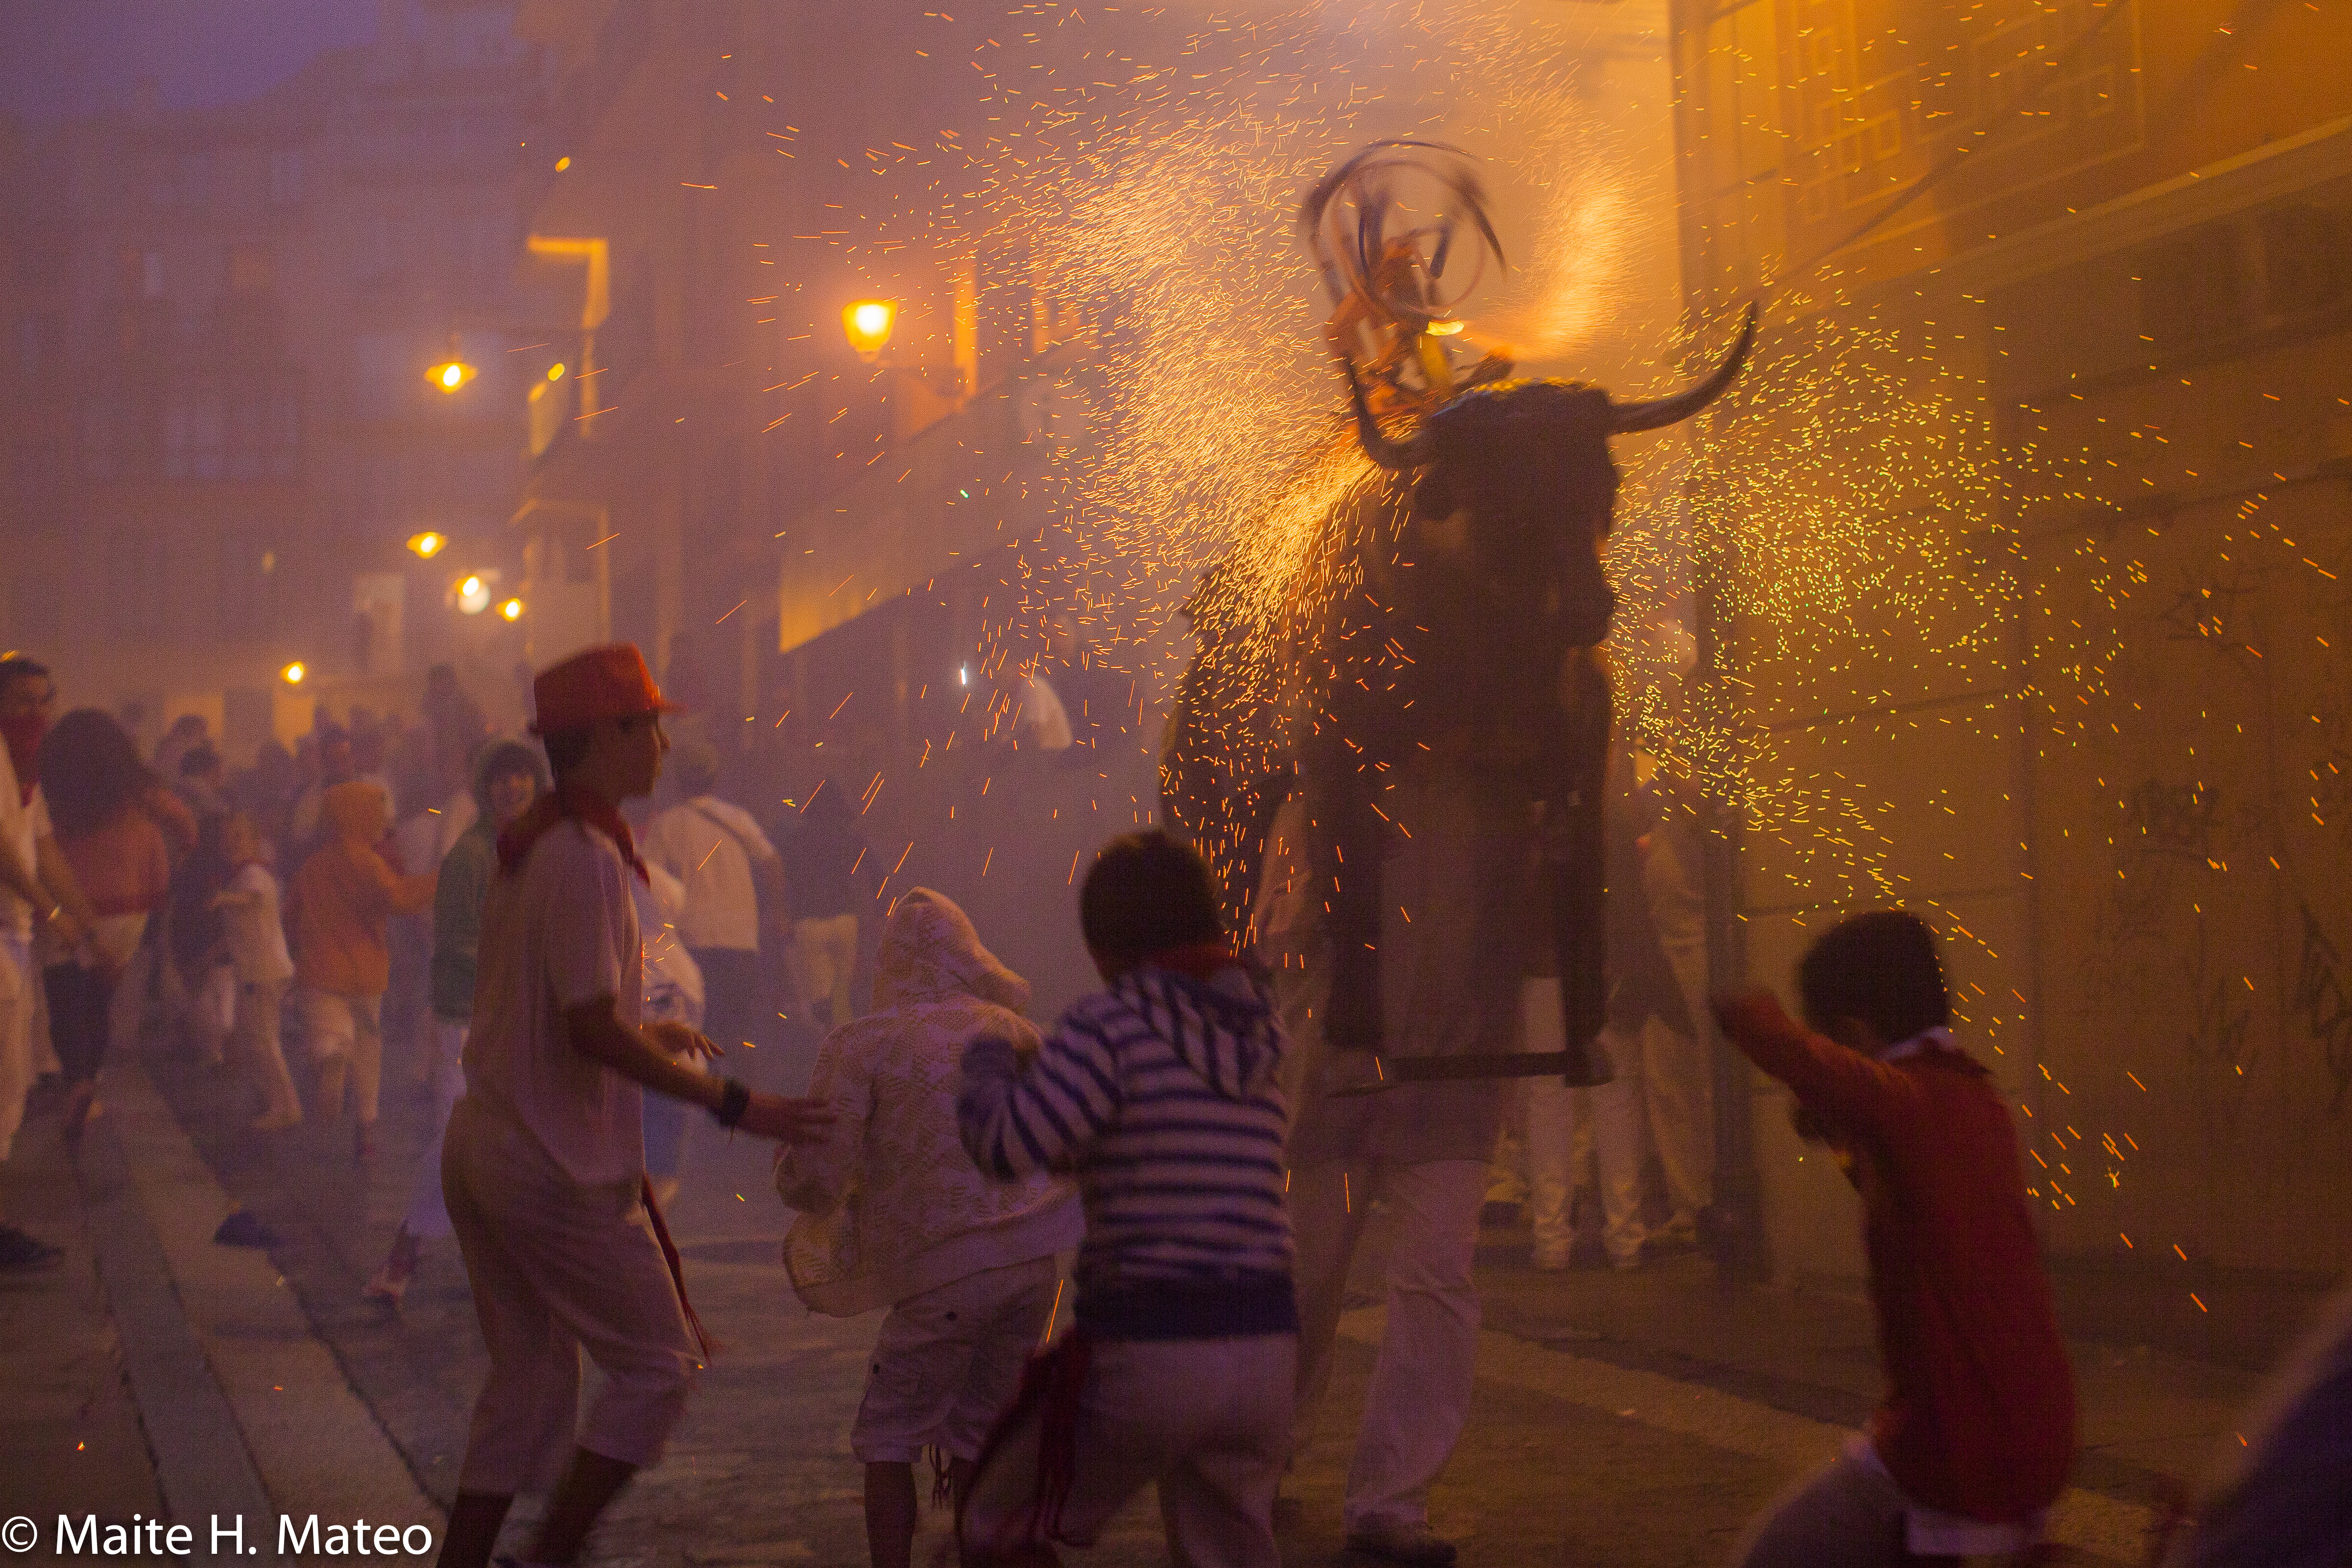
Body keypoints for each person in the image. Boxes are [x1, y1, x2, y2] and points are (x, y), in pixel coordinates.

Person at [435, 644, 833, 1568]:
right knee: (657, 1365)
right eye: (648, 724)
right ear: (607, 738)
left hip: (489, 1139)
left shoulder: (541, 842)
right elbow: (585, 1030)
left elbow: (557, 1014)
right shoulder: (580, 856)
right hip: (547, 1159)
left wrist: (646, 1035)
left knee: (528, 1385)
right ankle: (551, 1553)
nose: (662, 742)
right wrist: (739, 1104)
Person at [955, 831, 1295, 1568]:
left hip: (1152, 1347)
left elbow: (1010, 1144)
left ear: (1107, 947)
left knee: (995, 1522)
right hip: (1267, 1352)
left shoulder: (1107, 1024)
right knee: (1228, 1549)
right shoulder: (1263, 1032)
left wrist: (989, 1056)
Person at [1714, 909, 2075, 1568]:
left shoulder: (1908, 1101)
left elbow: (1831, 1074)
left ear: (1852, 1031)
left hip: (1953, 1437)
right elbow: (1917, 1202)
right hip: (2032, 1424)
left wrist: (1748, 1016)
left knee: (1773, 1554)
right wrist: (1844, 1141)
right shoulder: (1973, 1097)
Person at [775, 887, 1079, 1568]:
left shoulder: (865, 1042)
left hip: (943, 1274)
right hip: (1034, 1270)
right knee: (980, 1430)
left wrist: (789, 1174)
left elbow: (818, 1172)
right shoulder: (1014, 1030)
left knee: (887, 1438)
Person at [365, 739, 546, 1305]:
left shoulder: (541, 851)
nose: (511, 786)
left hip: (524, 1022)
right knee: (458, 1141)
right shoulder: (470, 858)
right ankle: (407, 1250)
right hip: (467, 1019)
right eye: (500, 778)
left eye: (520, 776)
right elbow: (456, 945)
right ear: (484, 789)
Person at [0, 657, 98, 1270]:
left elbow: (42, 849)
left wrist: (87, 921)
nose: (35, 714)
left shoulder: (25, 776)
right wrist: (55, 913)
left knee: (12, 1083)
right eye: (21, 701)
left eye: (44, 700)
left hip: (15, 939)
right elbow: (7, 854)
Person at [38, 708, 174, 1148]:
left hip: (63, 904)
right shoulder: (135, 789)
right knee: (98, 1000)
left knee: (63, 999)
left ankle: (74, 1079)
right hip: (127, 908)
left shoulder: (50, 783)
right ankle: (89, 1088)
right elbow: (186, 825)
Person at [288, 781, 436, 1163]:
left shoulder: (313, 866)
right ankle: (365, 1131)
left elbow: (292, 914)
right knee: (369, 1048)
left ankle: (330, 1058)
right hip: (367, 969)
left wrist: (294, 949)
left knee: (329, 1032)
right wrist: (439, 880)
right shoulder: (368, 861)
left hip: (321, 966)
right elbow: (399, 897)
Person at [641, 739, 790, 1060]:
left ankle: (706, 1098)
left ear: (677, 780)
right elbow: (771, 861)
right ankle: (741, 1098)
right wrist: (777, 912)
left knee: (698, 1032)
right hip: (740, 943)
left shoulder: (666, 825)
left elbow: (647, 879)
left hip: (691, 943)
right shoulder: (737, 818)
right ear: (716, 778)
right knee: (737, 1032)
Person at [213, 812, 301, 1130]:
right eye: (227, 837)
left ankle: (286, 1107)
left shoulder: (253, 874)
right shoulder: (242, 874)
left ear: (254, 841)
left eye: (239, 836)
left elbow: (252, 898)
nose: (231, 843)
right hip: (255, 970)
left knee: (264, 1040)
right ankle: (271, 1098)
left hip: (263, 972)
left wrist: (224, 899)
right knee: (255, 1038)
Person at [781, 779, 867, 1029]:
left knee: (818, 1002)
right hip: (846, 924)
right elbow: (873, 879)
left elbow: (786, 882)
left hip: (810, 925)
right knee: (842, 1001)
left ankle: (821, 1056)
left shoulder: (796, 840)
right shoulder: (852, 840)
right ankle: (846, 1057)